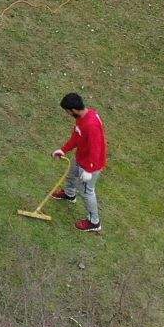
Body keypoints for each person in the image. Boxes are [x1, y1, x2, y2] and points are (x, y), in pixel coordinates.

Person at [53, 92, 109, 233]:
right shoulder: (84, 117)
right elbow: (77, 137)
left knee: (87, 191)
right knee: (71, 175)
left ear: (73, 110)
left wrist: (89, 170)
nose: (67, 114)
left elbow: (95, 150)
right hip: (81, 158)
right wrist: (63, 150)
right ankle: (69, 194)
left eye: (67, 111)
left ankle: (94, 222)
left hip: (91, 165)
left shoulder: (91, 125)